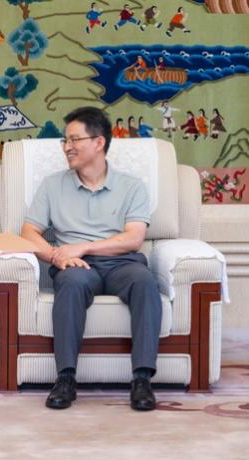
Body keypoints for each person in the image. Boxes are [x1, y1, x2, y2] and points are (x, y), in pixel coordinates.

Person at [21, 106, 161, 412]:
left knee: (145, 282)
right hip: (76, 267)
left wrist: (83, 247)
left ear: (99, 142)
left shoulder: (132, 186)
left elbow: (134, 238)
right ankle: (65, 378)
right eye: (65, 140)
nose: (67, 147)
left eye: (74, 139)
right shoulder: (52, 185)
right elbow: (29, 232)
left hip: (123, 263)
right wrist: (56, 256)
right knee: (71, 283)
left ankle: (142, 379)